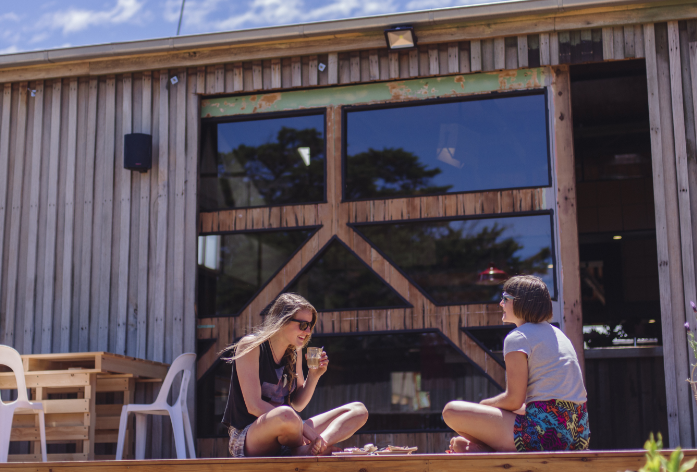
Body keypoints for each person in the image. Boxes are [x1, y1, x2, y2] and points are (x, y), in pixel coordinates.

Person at [442, 275, 590, 453]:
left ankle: (484, 449)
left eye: (505, 298)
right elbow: (538, 403)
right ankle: (480, 449)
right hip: (578, 433)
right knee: (507, 412)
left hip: (545, 435)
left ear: (522, 302)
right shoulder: (558, 334)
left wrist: (483, 406)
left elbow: (513, 400)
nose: (501, 303)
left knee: (451, 411)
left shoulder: (518, 337)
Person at [221, 293, 368, 457]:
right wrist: (304, 429)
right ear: (282, 321)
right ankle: (306, 448)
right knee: (287, 414)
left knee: (358, 410)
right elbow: (254, 406)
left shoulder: (294, 352)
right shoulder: (251, 346)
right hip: (250, 436)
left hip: (291, 430)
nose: (308, 331)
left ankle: (315, 447)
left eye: (310, 325)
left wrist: (314, 376)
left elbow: (298, 404)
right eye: (303, 324)